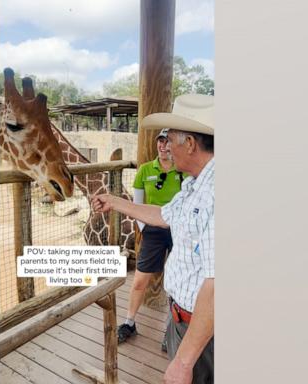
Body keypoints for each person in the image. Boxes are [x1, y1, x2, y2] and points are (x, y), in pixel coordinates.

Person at [92, 94, 214, 384]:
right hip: (181, 319)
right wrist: (114, 201)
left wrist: (184, 361)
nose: (166, 147)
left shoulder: (215, 194)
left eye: (170, 139)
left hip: (203, 330)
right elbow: (163, 214)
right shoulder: (195, 184)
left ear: (190, 144)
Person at [117, 128, 182, 350]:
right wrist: (146, 228)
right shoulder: (145, 170)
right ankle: (129, 322)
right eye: (160, 142)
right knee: (139, 280)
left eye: (167, 142)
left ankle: (171, 331)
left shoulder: (183, 170)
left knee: (176, 282)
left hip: (179, 230)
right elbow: (137, 205)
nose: (163, 146)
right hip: (153, 231)